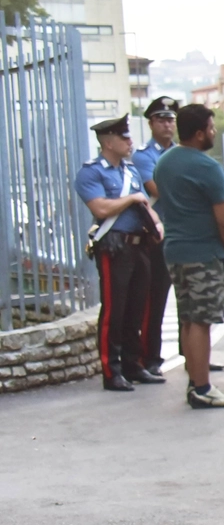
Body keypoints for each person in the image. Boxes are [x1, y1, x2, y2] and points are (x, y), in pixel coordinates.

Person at [154, 103, 224, 409]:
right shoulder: (206, 167)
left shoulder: (165, 163)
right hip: (204, 252)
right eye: (212, 128)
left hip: (175, 251)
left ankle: (195, 381)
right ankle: (202, 388)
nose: (214, 133)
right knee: (203, 321)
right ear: (200, 132)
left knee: (188, 319)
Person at [74, 114, 163, 391]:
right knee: (115, 310)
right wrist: (132, 198)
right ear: (108, 142)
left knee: (137, 308)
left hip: (140, 245)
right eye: (124, 137)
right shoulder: (92, 172)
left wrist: (157, 225)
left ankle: (132, 365)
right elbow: (100, 208)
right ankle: (111, 371)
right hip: (115, 246)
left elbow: (145, 205)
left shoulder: (130, 171)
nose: (129, 141)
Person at [131, 95, 179, 376]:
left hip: (179, 232)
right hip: (158, 235)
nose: (167, 124)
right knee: (155, 298)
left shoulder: (179, 152)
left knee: (186, 297)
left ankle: (192, 352)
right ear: (150, 123)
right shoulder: (144, 155)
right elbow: (158, 188)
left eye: (170, 119)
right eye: (161, 119)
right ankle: (151, 357)